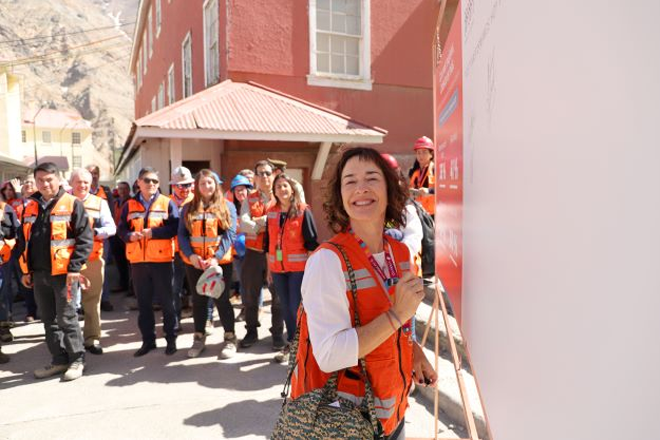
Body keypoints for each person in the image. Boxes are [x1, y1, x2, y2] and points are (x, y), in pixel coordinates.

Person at [290, 147, 438, 439]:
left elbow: (394, 320)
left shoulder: (401, 253)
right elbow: (330, 355)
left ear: (389, 189)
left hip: (392, 413)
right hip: (343, 421)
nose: (361, 188)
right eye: (350, 181)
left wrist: (414, 351)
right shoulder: (327, 261)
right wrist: (396, 316)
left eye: (372, 178)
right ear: (340, 196)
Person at [16, 162, 93, 381]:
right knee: (48, 320)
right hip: (39, 275)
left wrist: (74, 268)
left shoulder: (72, 204)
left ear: (58, 179)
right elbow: (23, 241)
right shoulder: (29, 206)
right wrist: (25, 270)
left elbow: (85, 240)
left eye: (49, 179)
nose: (45, 183)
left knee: (67, 317)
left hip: (64, 275)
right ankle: (59, 360)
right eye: (40, 180)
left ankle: (77, 359)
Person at [118, 167, 179, 356]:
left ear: (158, 184)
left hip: (161, 260)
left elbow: (174, 228)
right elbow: (121, 229)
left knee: (167, 303)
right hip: (138, 262)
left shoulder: (167, 203)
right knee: (144, 305)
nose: (151, 184)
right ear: (138, 182)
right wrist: (129, 236)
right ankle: (148, 341)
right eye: (146, 180)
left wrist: (154, 233)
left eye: (154, 181)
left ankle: (171, 340)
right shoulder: (129, 205)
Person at [178, 169, 238, 359]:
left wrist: (216, 257)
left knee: (221, 299)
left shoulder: (227, 206)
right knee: (198, 300)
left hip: (219, 262)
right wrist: (191, 256)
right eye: (202, 183)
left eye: (210, 183)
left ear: (216, 184)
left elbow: (230, 234)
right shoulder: (188, 208)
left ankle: (230, 338)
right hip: (195, 263)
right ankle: (199, 337)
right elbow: (182, 234)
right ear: (197, 186)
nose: (206, 186)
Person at [264, 173, 319, 363]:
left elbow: (312, 243)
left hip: (298, 269)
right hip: (278, 269)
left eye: (285, 186)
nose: (282, 189)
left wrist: (311, 271)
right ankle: (292, 343)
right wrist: (269, 269)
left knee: (296, 306)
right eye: (278, 187)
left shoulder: (303, 210)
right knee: (285, 306)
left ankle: (303, 345)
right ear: (274, 191)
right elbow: (267, 242)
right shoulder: (271, 212)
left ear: (292, 189)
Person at [238, 160, 284, 350]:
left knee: (278, 294)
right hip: (253, 253)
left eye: (267, 173)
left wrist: (258, 223)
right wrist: (265, 223)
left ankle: (277, 334)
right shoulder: (249, 198)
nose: (264, 177)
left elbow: (281, 221)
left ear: (273, 174)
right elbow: (243, 223)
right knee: (250, 294)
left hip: (278, 253)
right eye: (260, 173)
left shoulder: (282, 195)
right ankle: (251, 331)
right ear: (255, 177)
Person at [70, 168, 116, 355]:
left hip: (92, 259)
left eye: (86, 182)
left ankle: (92, 338)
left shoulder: (100, 203)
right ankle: (71, 342)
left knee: (92, 301)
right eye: (78, 182)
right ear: (71, 183)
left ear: (91, 184)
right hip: (67, 261)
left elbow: (111, 227)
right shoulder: (62, 203)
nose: (82, 185)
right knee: (68, 304)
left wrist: (95, 233)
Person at [86, 164, 115, 312]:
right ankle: (84, 303)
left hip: (101, 237)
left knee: (102, 269)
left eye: (96, 173)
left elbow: (112, 214)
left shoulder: (106, 192)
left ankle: (105, 299)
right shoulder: (80, 192)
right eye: (91, 173)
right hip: (83, 239)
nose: (94, 175)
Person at [169, 166, 195, 326]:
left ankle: (206, 319)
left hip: (194, 251)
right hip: (174, 253)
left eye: (188, 185)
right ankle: (175, 320)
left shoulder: (197, 200)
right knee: (174, 289)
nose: (186, 189)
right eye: (181, 185)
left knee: (200, 287)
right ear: (173, 186)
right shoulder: (166, 202)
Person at [229, 174, 253, 322]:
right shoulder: (231, 208)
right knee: (243, 281)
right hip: (237, 251)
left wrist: (243, 227)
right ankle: (246, 307)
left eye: (243, 190)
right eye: (237, 190)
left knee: (253, 282)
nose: (240, 193)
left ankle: (256, 308)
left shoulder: (253, 205)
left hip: (252, 249)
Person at [0, 198, 19, 361]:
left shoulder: (5, 208)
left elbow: (14, 231)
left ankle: (4, 328)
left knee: (3, 296)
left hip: (2, 260)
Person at [109, 181, 131, 293]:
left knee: (130, 264)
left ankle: (131, 288)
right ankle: (123, 285)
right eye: (120, 189)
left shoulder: (132, 202)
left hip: (127, 236)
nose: (122, 191)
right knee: (119, 262)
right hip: (116, 236)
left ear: (129, 190)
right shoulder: (115, 202)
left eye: (125, 189)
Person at [408, 136, 435, 217]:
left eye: (424, 152)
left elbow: (443, 190)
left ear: (431, 154)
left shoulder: (435, 170)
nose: (421, 155)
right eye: (418, 152)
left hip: (433, 215)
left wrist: (429, 191)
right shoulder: (414, 172)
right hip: (418, 213)